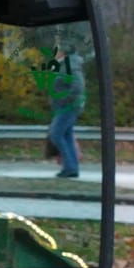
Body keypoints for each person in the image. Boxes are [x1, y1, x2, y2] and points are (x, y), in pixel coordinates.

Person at [48, 42, 85, 179]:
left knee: (56, 134)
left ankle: (69, 167)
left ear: (63, 52)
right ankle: (72, 168)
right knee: (67, 136)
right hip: (63, 108)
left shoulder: (71, 65)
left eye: (57, 50)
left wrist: (64, 100)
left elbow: (77, 87)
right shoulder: (64, 65)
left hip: (68, 107)